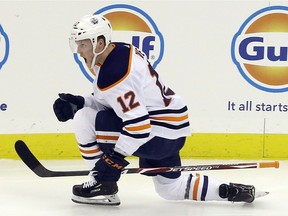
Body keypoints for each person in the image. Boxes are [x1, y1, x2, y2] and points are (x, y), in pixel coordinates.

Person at [53, 14, 257, 206]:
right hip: (171, 130)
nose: (79, 50)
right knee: (170, 189)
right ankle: (231, 191)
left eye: (83, 44)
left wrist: (112, 160)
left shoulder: (113, 74)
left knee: (84, 119)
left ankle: (101, 184)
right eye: (77, 44)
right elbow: (120, 105)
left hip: (154, 133)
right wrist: (81, 102)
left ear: (99, 43)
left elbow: (138, 126)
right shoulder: (121, 51)